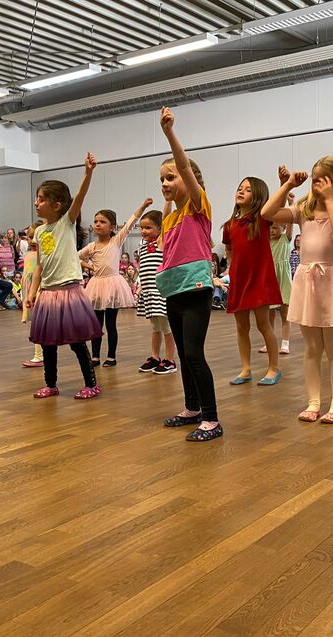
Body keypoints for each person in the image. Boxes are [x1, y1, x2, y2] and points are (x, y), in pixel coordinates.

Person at [262, 156, 333, 424]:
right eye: (316, 180)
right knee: (311, 348)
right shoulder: (303, 210)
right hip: (308, 280)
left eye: (326, 181)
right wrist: (287, 185)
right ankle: (313, 402)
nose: (319, 186)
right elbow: (267, 213)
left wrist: (330, 200)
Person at [157, 107, 221, 441]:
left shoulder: (199, 206)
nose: (165, 183)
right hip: (175, 291)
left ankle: (211, 419)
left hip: (196, 289)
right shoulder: (169, 219)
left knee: (195, 353)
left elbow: (183, 165)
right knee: (183, 354)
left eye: (171, 177)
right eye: (162, 180)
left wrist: (169, 133)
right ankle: (192, 408)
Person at [26, 154, 103, 400]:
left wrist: (88, 173)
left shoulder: (66, 223)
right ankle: (51, 384)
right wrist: (32, 292)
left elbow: (79, 197)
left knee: (77, 342)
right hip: (48, 293)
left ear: (57, 205)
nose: (36, 203)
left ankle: (91, 384)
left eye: (41, 199)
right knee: (47, 343)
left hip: (69, 291)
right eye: (37, 198)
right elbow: (39, 266)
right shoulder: (40, 231)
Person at [223, 174, 283, 386]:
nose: (241, 191)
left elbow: (278, 206)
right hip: (240, 281)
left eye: (248, 190)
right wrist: (232, 268)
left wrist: (284, 184)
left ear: (257, 197)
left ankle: (273, 367)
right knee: (241, 326)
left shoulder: (262, 220)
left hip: (259, 280)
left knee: (263, 324)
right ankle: (245, 368)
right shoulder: (229, 225)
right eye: (240, 188)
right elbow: (229, 249)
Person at [79, 203, 143, 367]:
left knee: (111, 324)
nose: (98, 224)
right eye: (96, 221)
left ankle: (111, 356)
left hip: (112, 285)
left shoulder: (116, 241)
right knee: (96, 324)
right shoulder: (91, 247)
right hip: (96, 286)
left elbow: (130, 224)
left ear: (112, 227)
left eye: (102, 222)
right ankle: (95, 356)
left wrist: (143, 206)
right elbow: (75, 257)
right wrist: (89, 267)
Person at [135, 208, 177, 374]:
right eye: (142, 228)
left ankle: (170, 359)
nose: (143, 231)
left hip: (161, 292)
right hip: (149, 292)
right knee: (155, 327)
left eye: (148, 227)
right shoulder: (142, 247)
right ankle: (154, 356)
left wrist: (168, 200)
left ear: (160, 229)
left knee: (166, 327)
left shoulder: (162, 243)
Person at [20, 223, 44, 368]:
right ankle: (39, 355)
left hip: (39, 291)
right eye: (30, 237)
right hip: (29, 291)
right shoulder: (28, 254)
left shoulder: (44, 255)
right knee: (36, 323)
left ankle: (39, 356)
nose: (32, 240)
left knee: (38, 323)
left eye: (35, 237)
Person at [267, 220, 293, 355]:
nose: (272, 230)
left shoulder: (285, 239)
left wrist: (290, 206)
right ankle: (269, 342)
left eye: (275, 228)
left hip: (283, 280)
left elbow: (290, 222)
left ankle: (285, 343)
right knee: (269, 315)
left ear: (283, 228)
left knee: (285, 314)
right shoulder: (267, 242)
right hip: (270, 280)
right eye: (270, 228)